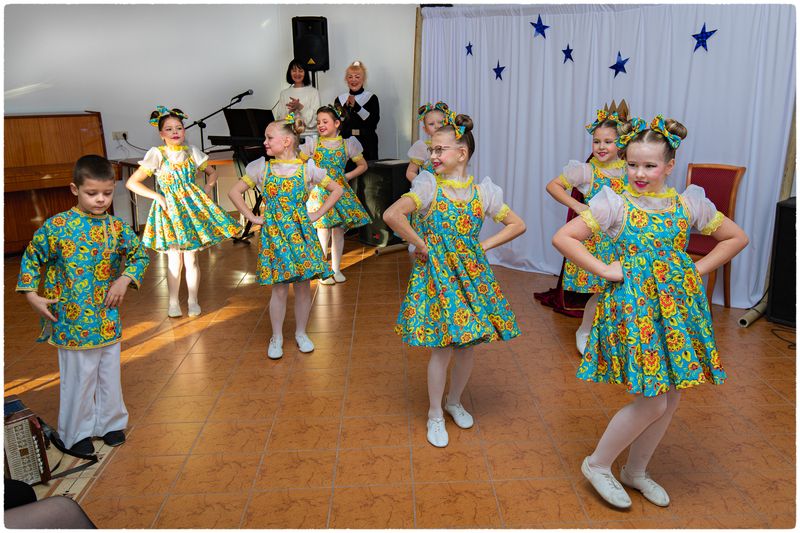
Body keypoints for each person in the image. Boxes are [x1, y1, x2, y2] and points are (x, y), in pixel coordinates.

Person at [552, 115, 749, 509]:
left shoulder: (686, 204)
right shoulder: (615, 204)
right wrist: (605, 269)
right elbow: (565, 237)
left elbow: (736, 237)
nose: (639, 173)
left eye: (649, 165)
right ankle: (598, 464)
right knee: (653, 400)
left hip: (675, 310)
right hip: (635, 310)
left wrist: (694, 270)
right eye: (632, 164)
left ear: (669, 166)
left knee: (670, 398)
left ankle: (636, 471)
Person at [383, 112, 526, 448]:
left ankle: (454, 401)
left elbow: (517, 224)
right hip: (438, 277)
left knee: (467, 346)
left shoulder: (482, 192)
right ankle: (434, 413)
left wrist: (482, 247)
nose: (433, 155)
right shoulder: (429, 187)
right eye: (432, 149)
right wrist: (421, 244)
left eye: (440, 149)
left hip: (471, 277)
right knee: (443, 347)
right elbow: (392, 214)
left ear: (461, 153)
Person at [16, 155, 150, 454]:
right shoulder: (58, 226)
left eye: (107, 193)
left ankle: (110, 424)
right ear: (75, 189)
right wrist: (31, 294)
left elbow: (140, 255)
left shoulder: (117, 227)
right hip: (71, 320)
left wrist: (124, 279)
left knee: (108, 374)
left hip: (107, 318)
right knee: (79, 378)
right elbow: (32, 256)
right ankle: (76, 433)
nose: (101, 199)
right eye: (92, 193)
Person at [228, 113, 343, 360]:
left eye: (269, 138)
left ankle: (301, 333)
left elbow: (337, 189)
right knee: (279, 289)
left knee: (303, 287)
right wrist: (253, 217)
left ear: (287, 141)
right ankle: (277, 337)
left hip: (301, 236)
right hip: (275, 235)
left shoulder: (307, 169)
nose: (265, 142)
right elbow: (235, 192)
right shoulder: (261, 167)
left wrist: (317, 213)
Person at [126, 106, 240, 318]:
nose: (175, 132)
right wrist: (157, 196)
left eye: (179, 127)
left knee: (191, 259)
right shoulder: (157, 154)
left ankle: (193, 300)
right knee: (174, 260)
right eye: (169, 129)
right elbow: (132, 182)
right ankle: (172, 302)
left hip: (191, 212)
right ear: (161, 133)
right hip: (170, 212)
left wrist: (207, 188)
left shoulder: (191, 151)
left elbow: (212, 173)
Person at [545, 109, 628, 355]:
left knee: (620, 294)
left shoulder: (630, 169)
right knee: (602, 292)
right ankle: (585, 330)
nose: (601, 147)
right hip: (598, 242)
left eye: (608, 141)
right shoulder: (587, 171)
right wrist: (578, 205)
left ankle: (613, 336)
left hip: (622, 240)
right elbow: (553, 186)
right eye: (596, 141)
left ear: (621, 143)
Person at [301, 104, 371, 284]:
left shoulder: (347, 144)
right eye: (318, 122)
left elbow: (363, 165)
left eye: (325, 121)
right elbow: (299, 163)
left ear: (337, 123)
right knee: (323, 230)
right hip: (320, 192)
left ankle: (336, 269)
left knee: (338, 231)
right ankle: (322, 270)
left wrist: (346, 176)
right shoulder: (313, 143)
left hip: (339, 192)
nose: (320, 125)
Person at [335, 61, 380, 161]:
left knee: (369, 170)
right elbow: (338, 124)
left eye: (357, 77)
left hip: (367, 144)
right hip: (346, 143)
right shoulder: (340, 99)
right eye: (350, 77)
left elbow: (373, 123)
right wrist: (345, 109)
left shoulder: (371, 98)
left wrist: (357, 107)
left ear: (363, 79)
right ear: (346, 79)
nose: (353, 80)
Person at [405, 101, 449, 181]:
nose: (437, 126)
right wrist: (423, 184)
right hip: (429, 188)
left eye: (440, 122)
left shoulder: (452, 146)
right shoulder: (422, 147)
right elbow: (410, 172)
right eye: (431, 124)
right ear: (425, 129)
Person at [273, 58, 321, 130]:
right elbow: (281, 121)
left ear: (305, 73)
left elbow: (315, 120)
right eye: (294, 71)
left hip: (309, 134)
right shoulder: (284, 94)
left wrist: (300, 107)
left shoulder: (314, 92)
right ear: (290, 72)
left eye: (300, 71)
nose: (297, 73)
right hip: (290, 134)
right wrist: (291, 112)